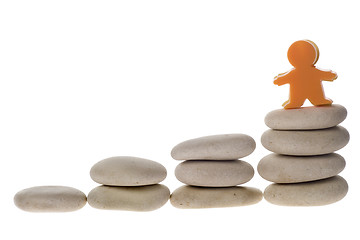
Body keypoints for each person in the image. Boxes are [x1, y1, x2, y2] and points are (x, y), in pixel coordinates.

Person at [274, 40, 337, 109]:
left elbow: (323, 74)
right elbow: (285, 78)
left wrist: (279, 80)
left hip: (313, 91)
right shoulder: (295, 73)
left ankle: (318, 100)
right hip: (299, 93)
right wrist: (330, 75)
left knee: (316, 98)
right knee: (296, 100)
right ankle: (295, 103)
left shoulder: (312, 71)